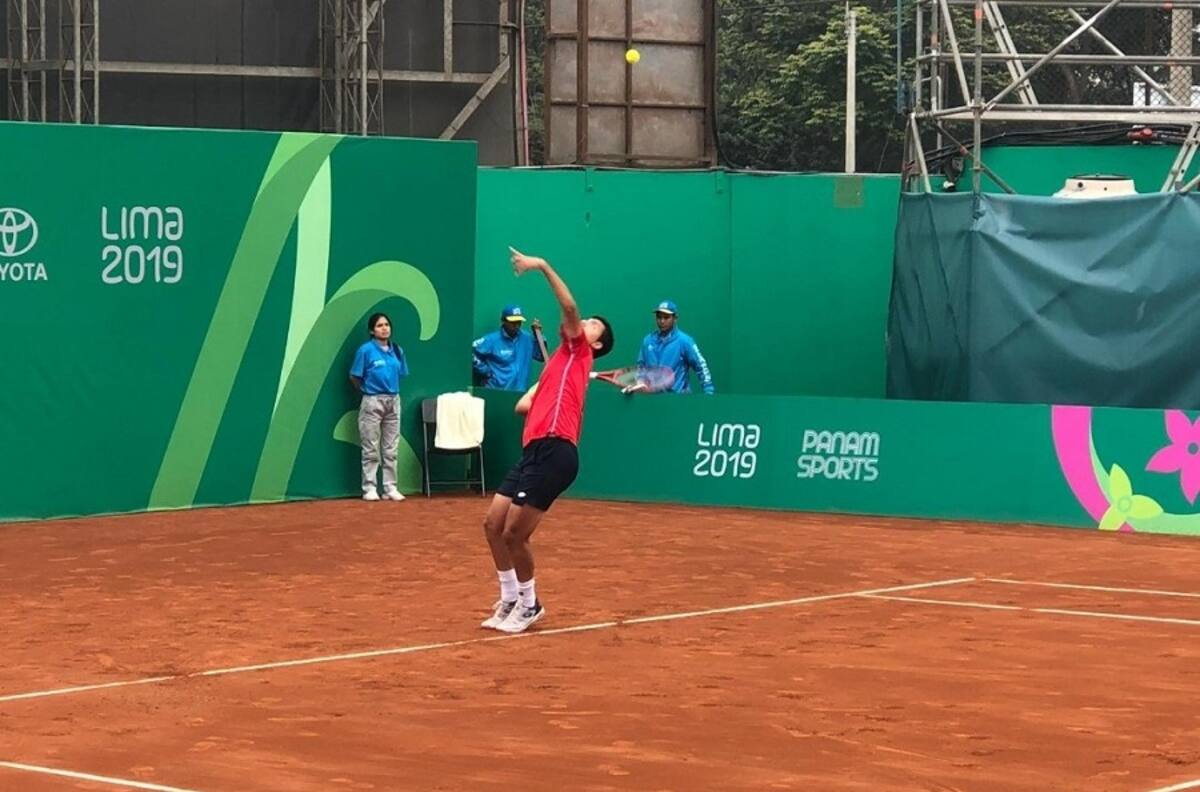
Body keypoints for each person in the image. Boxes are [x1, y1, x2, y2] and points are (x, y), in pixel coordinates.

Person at [480, 248, 614, 634]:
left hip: (557, 452)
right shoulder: (562, 362)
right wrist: (550, 386)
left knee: (514, 534)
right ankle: (509, 599)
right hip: (533, 450)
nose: (583, 322)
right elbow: (522, 406)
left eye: (592, 326)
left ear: (597, 345)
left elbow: (569, 306)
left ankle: (530, 603)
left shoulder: (577, 349)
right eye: (586, 322)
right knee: (492, 524)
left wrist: (541, 266)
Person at [349, 312, 410, 502]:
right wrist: (368, 392)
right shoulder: (365, 351)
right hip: (372, 401)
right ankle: (369, 488)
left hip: (393, 400)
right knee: (370, 447)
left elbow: (401, 373)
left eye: (386, 325)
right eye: (379, 326)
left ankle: (390, 487)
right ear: (371, 330)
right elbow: (354, 376)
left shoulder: (397, 351)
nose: (384, 328)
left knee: (391, 448)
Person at [636, 299, 714, 394]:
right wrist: (638, 385)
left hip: (678, 402)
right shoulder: (647, 341)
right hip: (652, 402)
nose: (662, 321)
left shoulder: (685, 341)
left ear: (675, 318)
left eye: (666, 317)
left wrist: (709, 392)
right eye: (659, 317)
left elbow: (701, 367)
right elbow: (640, 369)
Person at [471, 304, 545, 391]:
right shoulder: (492, 340)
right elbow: (470, 352)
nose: (517, 326)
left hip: (519, 394)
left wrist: (539, 336)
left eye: (519, 322)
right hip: (495, 391)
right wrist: (485, 371)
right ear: (503, 321)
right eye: (513, 322)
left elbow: (541, 356)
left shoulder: (527, 339)